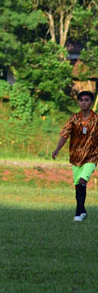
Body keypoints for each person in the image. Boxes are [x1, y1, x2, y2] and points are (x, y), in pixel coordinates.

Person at [51, 91, 98, 221]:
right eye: (81, 100)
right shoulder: (74, 119)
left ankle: (78, 213)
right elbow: (65, 135)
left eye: (86, 100)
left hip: (91, 157)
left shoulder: (96, 119)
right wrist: (57, 149)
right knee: (78, 186)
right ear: (78, 102)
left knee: (83, 181)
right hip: (76, 157)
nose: (83, 102)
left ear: (91, 102)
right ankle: (82, 210)